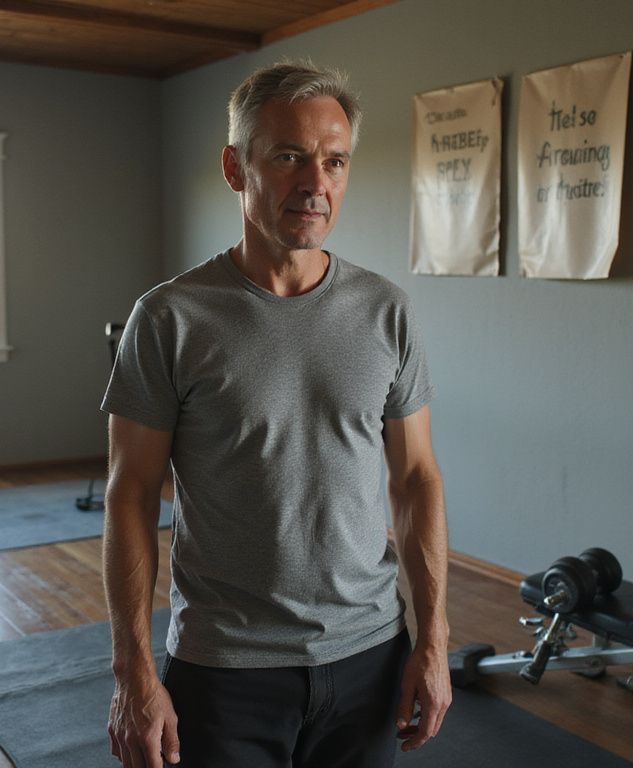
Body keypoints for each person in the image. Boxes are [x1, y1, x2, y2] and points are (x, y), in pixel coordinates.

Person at [101, 61, 450, 768]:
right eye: (289, 156)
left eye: (334, 161)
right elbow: (131, 494)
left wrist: (433, 640)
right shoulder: (170, 318)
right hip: (224, 668)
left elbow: (416, 481)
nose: (315, 183)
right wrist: (133, 673)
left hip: (369, 655)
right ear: (236, 167)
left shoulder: (387, 312)